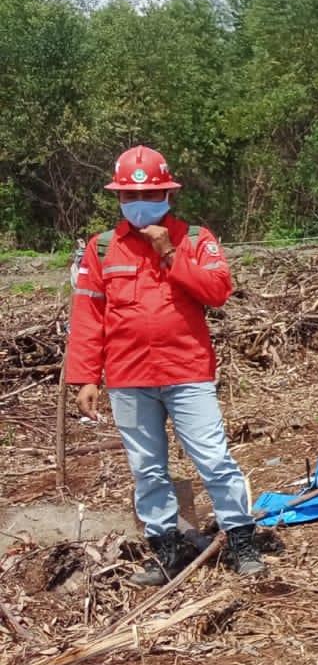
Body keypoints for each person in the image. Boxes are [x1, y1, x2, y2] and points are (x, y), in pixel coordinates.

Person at [65, 146, 265, 584]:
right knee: (147, 468)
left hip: (187, 372)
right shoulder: (102, 248)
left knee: (213, 458)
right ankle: (165, 551)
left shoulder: (196, 239)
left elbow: (217, 291)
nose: (141, 205)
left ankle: (242, 541)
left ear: (168, 196)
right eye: (131, 197)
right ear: (117, 198)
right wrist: (84, 377)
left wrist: (171, 254)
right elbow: (88, 317)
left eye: (153, 196)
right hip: (128, 377)